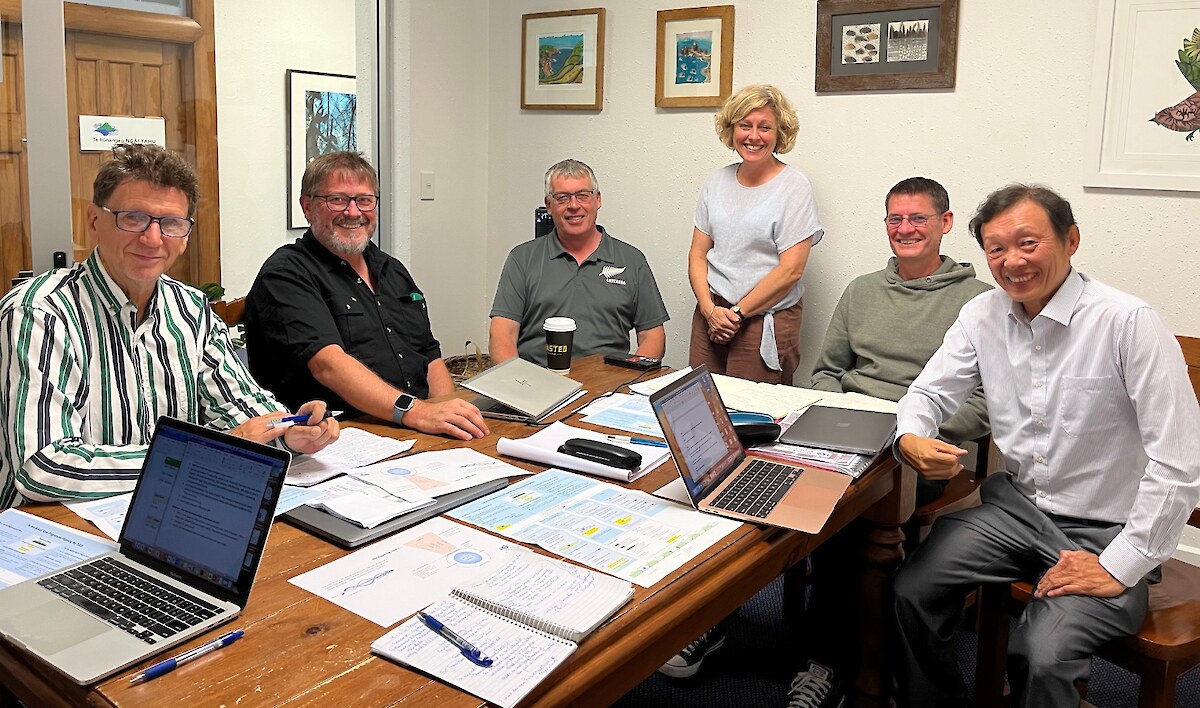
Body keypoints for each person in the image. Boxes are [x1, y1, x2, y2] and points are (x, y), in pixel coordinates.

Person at [892, 184, 1200, 707]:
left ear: (1071, 239)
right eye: (995, 248)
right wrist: (911, 436)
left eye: (1028, 243)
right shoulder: (982, 315)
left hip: (1108, 530)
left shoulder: (1127, 322)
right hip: (1017, 510)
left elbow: (1179, 464)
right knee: (910, 590)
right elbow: (927, 392)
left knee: (1043, 652)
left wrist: (1116, 565)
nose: (1012, 262)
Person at [0, 143, 339, 508]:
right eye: (132, 218)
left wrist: (290, 433)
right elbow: (42, 468)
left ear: (186, 234)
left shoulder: (191, 309)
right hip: (54, 533)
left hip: (170, 509)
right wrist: (206, 455)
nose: (152, 239)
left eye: (171, 224)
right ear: (94, 221)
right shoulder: (40, 313)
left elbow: (242, 408)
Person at [792, 177, 992, 706]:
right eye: (895, 219)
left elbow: (987, 402)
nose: (904, 229)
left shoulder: (979, 303)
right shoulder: (861, 291)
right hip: (850, 431)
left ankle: (840, 664)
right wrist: (838, 412)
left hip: (923, 449)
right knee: (786, 494)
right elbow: (827, 370)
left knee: (844, 518)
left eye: (918, 219)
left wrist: (921, 435)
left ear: (945, 224)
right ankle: (830, 657)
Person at [245, 151, 488, 441]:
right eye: (337, 199)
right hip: (335, 440)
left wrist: (451, 419)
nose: (353, 212)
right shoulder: (285, 275)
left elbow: (429, 355)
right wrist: (418, 412)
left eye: (364, 200)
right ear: (307, 206)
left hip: (415, 430)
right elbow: (328, 365)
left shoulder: (392, 270)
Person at [688, 84, 822, 384]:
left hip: (762, 319)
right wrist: (710, 312)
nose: (753, 136)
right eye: (744, 125)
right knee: (699, 407)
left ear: (779, 134)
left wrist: (735, 313)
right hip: (711, 313)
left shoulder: (794, 187)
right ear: (731, 129)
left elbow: (791, 270)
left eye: (765, 127)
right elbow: (698, 254)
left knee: (753, 419)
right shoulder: (717, 181)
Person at [489, 159, 668, 366]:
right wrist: (518, 386)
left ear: (597, 200)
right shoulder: (522, 259)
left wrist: (629, 381)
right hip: (539, 385)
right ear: (549, 205)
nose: (574, 206)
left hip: (609, 387)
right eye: (562, 198)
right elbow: (502, 335)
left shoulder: (632, 260)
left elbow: (652, 336)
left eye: (582, 195)